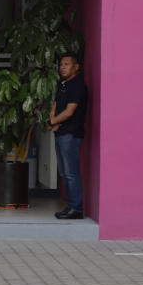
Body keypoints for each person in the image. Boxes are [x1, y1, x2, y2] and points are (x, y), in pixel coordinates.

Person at [49, 52, 88, 219]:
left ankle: (76, 209)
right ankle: (70, 206)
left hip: (71, 134)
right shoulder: (64, 85)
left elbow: (70, 111)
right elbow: (57, 104)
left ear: (76, 67)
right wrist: (52, 120)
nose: (62, 67)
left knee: (71, 172)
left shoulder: (77, 85)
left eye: (66, 64)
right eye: (61, 64)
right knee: (64, 172)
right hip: (61, 132)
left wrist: (54, 122)